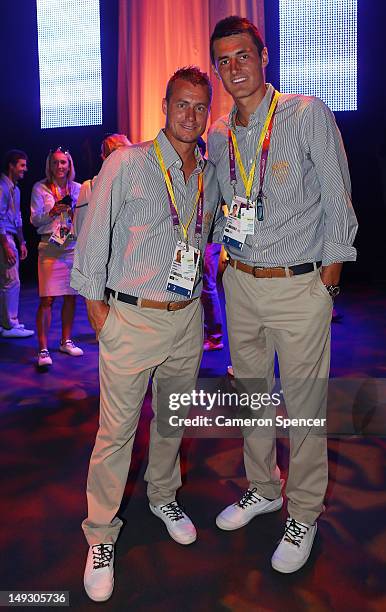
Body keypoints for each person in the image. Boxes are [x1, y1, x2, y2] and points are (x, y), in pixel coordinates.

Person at [208, 16, 358, 573]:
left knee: (305, 409)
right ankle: (264, 488)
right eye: (223, 60)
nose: (233, 68)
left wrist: (328, 284)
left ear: (264, 56)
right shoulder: (220, 134)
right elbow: (223, 206)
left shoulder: (305, 113)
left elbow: (339, 202)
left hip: (300, 286)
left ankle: (304, 511)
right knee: (251, 397)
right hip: (241, 285)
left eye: (242, 55)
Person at [71, 66, 219, 603]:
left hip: (186, 318)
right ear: (165, 105)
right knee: (115, 435)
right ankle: (100, 535)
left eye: (201, 107)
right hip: (131, 317)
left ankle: (163, 495)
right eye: (182, 104)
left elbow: (212, 229)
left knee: (173, 417)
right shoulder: (127, 162)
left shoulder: (208, 170)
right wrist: (97, 308)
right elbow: (94, 236)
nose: (191, 116)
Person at [30, 147, 82, 367]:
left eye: (63, 162)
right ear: (49, 165)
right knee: (47, 299)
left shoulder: (78, 188)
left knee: (70, 296)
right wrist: (52, 212)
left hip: (70, 246)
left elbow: (84, 217)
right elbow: (34, 221)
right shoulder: (40, 188)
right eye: (55, 163)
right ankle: (43, 350)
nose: (60, 167)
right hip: (49, 248)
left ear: (69, 165)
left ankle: (65, 341)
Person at [0, 150, 34, 338]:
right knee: (11, 281)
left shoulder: (15, 189)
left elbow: (18, 218)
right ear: (11, 166)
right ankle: (9, 324)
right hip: (4, 238)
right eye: (21, 165)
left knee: (7, 281)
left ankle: (5, 322)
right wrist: (6, 245)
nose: (25, 169)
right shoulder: (2, 187)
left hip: (11, 237)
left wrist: (22, 241)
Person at [73, 134, 132, 238]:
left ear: (104, 157)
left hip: (102, 250)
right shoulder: (140, 184)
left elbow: (78, 230)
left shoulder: (90, 187)